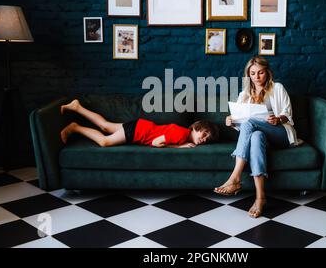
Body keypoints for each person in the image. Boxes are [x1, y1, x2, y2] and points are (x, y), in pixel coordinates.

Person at [214, 56, 298, 218]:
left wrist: (278, 119)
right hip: (261, 136)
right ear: (248, 75)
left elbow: (288, 114)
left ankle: (235, 177)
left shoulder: (277, 88)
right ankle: (260, 197)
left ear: (267, 73)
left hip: (280, 133)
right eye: (253, 73)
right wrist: (231, 121)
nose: (257, 77)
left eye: (260, 73)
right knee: (256, 135)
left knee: (251, 123)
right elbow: (243, 127)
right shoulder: (245, 94)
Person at [59, 99, 219, 148]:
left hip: (141, 127)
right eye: (204, 134)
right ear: (196, 127)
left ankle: (77, 107)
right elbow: (157, 143)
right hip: (138, 132)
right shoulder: (182, 134)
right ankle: (76, 127)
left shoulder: (183, 134)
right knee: (104, 141)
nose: (204, 139)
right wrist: (179, 147)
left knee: (106, 126)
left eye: (207, 139)